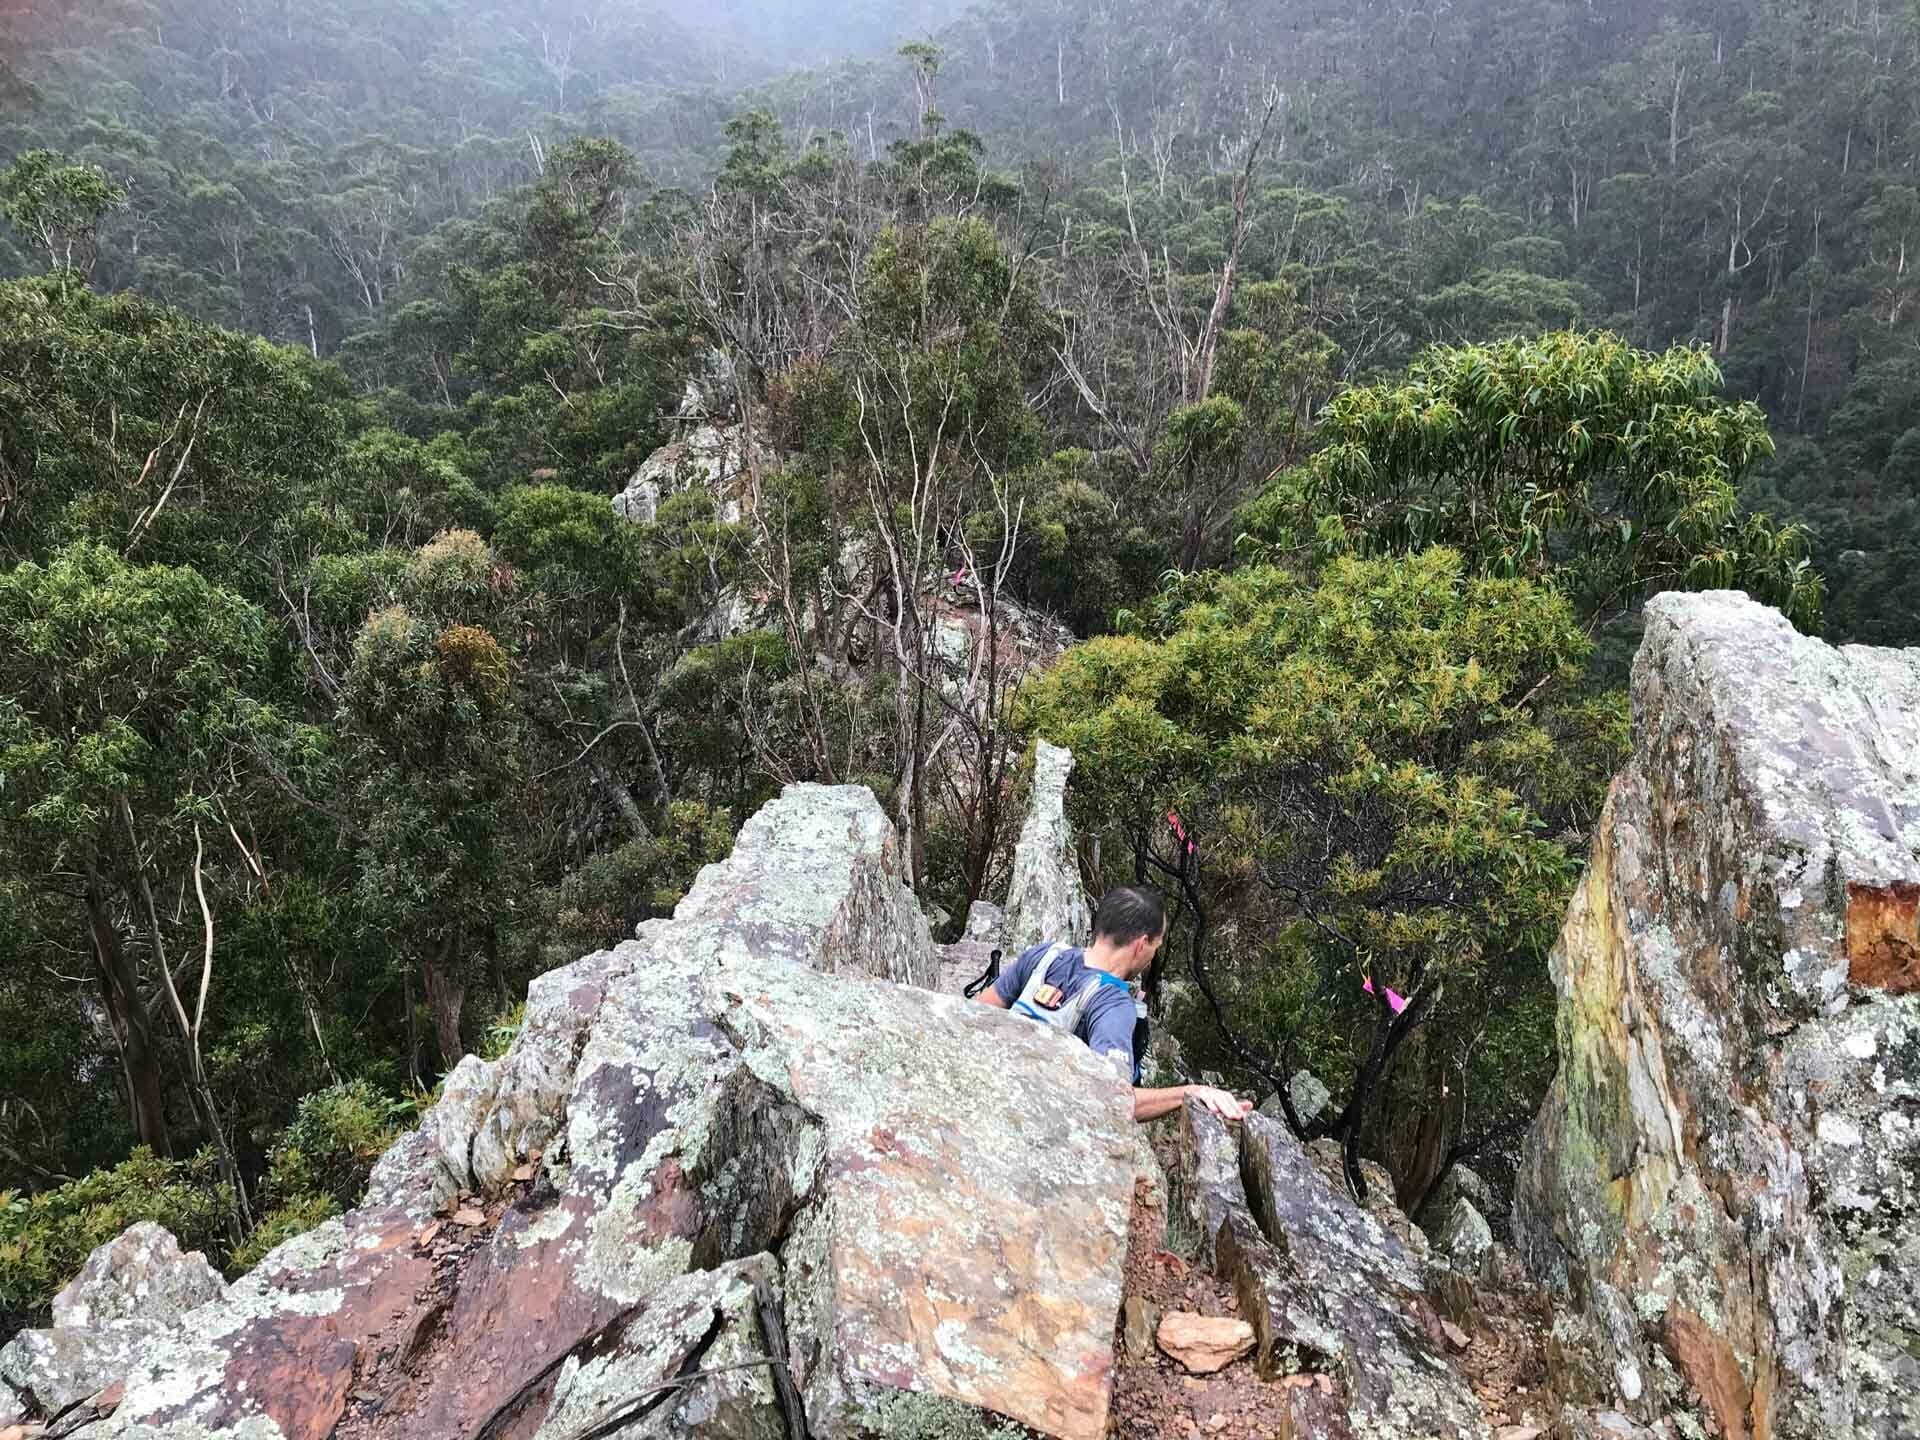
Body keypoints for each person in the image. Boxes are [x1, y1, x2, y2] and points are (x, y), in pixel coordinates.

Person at [976, 885, 1253, 1123]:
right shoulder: (1113, 1005)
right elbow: (1115, 1099)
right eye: (1156, 945)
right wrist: (1190, 1092)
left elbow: (977, 1012)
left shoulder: (1044, 955)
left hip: (989, 1091)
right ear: (1141, 945)